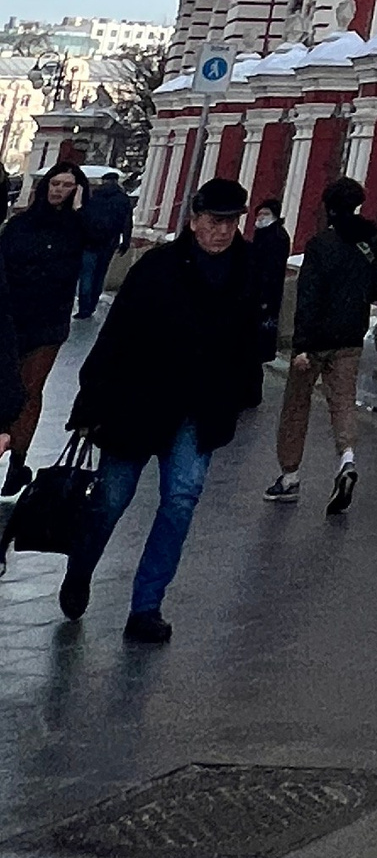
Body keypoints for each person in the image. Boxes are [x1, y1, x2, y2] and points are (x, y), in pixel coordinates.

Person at [60, 173, 265, 643]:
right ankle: (82, 566)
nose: (222, 231)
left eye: (231, 223)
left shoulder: (246, 270)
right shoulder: (158, 267)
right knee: (112, 499)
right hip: (137, 404)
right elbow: (117, 335)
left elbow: (249, 340)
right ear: (194, 220)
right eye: (214, 221)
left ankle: (146, 606)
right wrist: (91, 401)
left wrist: (239, 392)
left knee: (179, 501)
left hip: (200, 409)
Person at [266, 175, 377, 513]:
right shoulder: (370, 240)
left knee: (296, 405)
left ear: (329, 208)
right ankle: (346, 461)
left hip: (316, 339)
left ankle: (289, 477)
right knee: (344, 403)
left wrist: (301, 345)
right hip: (351, 337)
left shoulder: (321, 244)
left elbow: (308, 296)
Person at [3, 155, 88, 492]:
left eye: (68, 186)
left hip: (48, 324)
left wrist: (81, 212)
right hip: (11, 317)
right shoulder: (21, 225)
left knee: (30, 390)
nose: (60, 191)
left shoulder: (77, 228)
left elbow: (98, 238)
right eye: (56, 184)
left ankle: (17, 462)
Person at [74, 164, 133, 323]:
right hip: (109, 243)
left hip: (89, 242)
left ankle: (83, 307)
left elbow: (84, 218)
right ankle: (92, 304)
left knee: (86, 274)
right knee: (100, 274)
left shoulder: (95, 196)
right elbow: (127, 222)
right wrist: (125, 241)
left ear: (104, 181)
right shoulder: (123, 199)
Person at [246, 197, 291, 363]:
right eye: (259, 213)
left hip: (266, 290)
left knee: (263, 325)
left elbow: (271, 268)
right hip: (260, 288)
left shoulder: (276, 236)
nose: (260, 217)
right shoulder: (264, 233)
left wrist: (264, 292)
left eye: (265, 213)